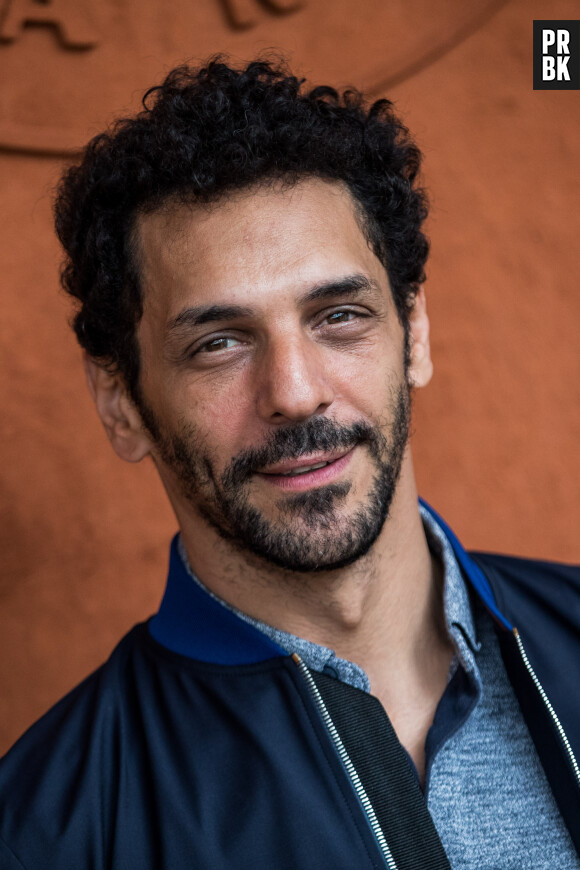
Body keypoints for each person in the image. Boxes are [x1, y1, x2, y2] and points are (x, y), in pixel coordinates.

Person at [0, 56, 579, 869]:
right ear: (120, 400)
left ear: (414, 334)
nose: (296, 393)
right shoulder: (49, 831)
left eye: (339, 316)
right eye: (219, 343)